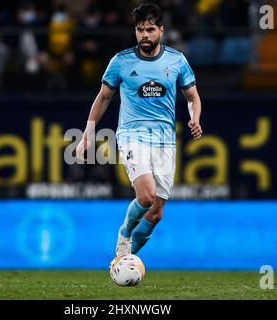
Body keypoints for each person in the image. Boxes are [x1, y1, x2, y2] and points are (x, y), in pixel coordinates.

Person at [75, 2, 203, 258]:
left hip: (165, 140)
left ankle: (124, 261)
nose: (145, 35)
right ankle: (124, 234)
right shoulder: (121, 61)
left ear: (161, 31)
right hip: (132, 136)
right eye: (140, 29)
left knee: (156, 212)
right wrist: (88, 132)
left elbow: (192, 97)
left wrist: (195, 118)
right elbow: (103, 98)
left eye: (150, 29)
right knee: (146, 197)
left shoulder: (177, 61)